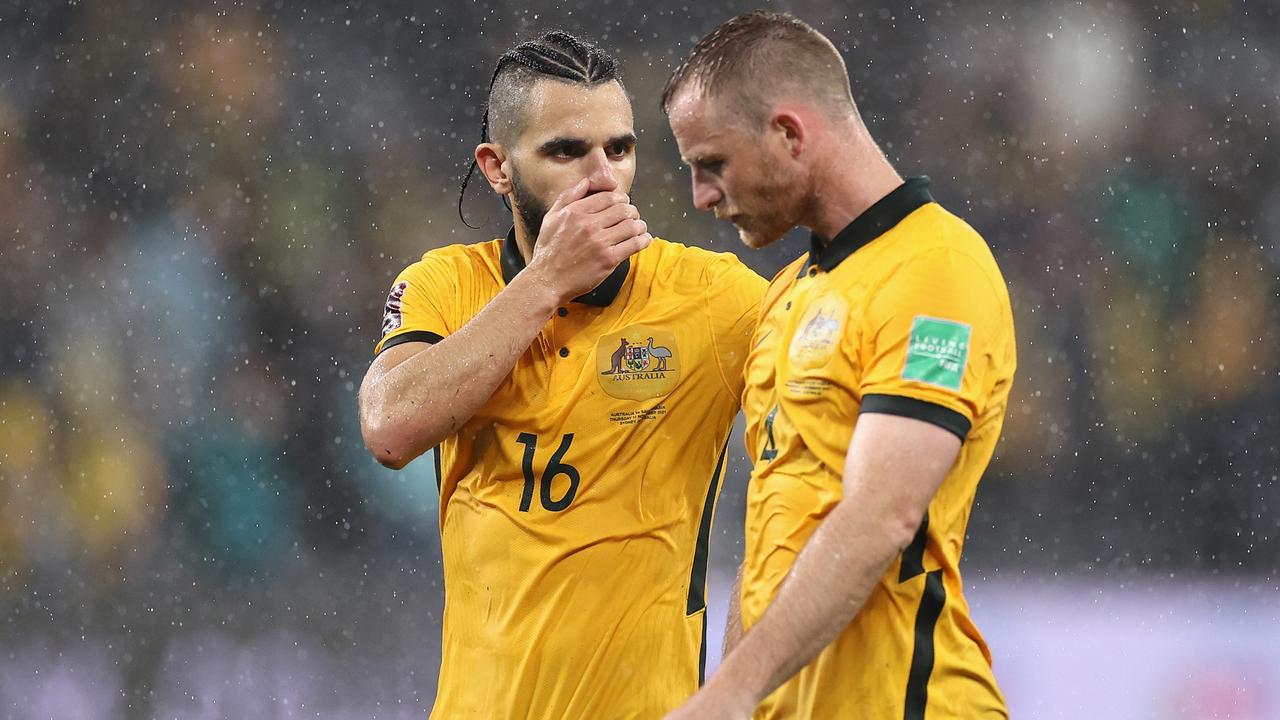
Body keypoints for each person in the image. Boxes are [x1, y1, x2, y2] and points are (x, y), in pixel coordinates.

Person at [358, 30, 766, 719]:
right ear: (497, 167)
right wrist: (545, 282)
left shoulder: (718, 300)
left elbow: (809, 478)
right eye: (566, 151)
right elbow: (389, 428)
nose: (603, 176)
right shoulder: (447, 286)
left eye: (620, 148)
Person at [660, 11, 1016, 720]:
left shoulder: (935, 270)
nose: (701, 196)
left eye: (713, 165)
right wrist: (736, 691)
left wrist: (730, 691)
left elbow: (882, 514)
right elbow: (773, 533)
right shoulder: (788, 294)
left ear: (789, 135)